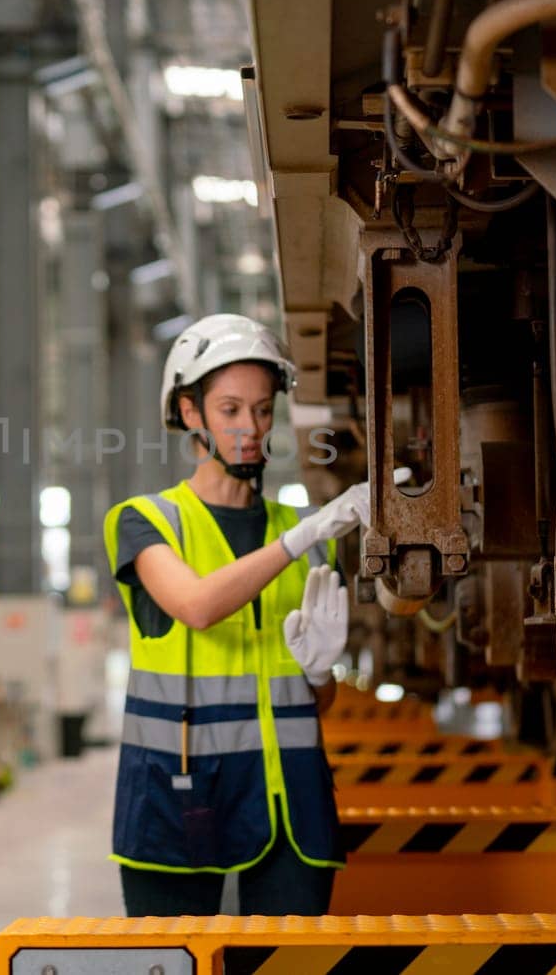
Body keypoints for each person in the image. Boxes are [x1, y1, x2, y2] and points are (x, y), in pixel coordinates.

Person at [103, 313, 371, 917]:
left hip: (289, 809)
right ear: (190, 412)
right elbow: (197, 605)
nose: (249, 428)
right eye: (229, 410)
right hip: (178, 803)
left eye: (262, 409)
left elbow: (310, 708)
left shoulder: (303, 539)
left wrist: (322, 676)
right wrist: (305, 536)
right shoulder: (145, 520)